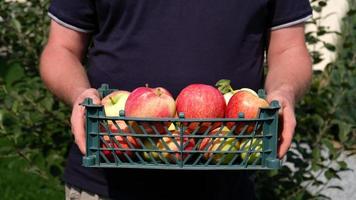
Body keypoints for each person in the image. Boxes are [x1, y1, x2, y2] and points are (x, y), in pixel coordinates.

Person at [40, 1, 313, 199]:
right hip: (106, 179)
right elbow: (61, 49)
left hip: (226, 179)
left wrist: (284, 91)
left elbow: (289, 49)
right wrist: (80, 95)